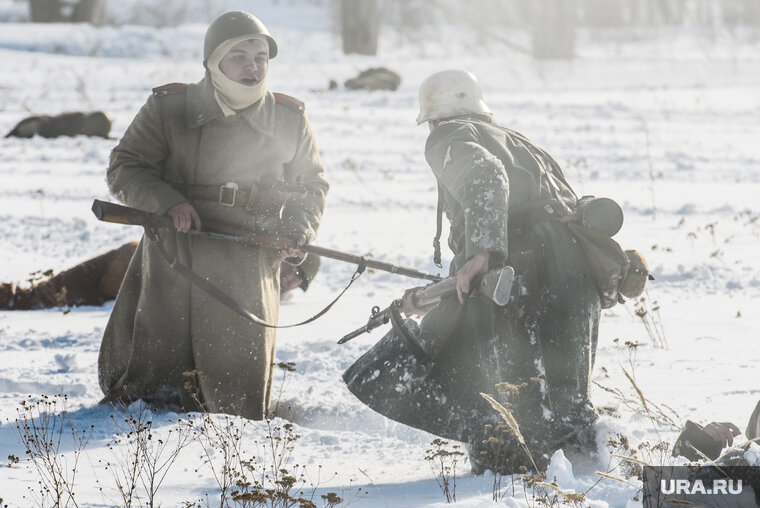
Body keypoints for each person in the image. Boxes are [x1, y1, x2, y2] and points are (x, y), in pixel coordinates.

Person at [343, 69, 601, 474]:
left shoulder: (448, 135)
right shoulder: (522, 142)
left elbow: (486, 176)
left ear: (431, 119)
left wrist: (482, 251)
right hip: (574, 268)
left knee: (505, 396)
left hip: (520, 269)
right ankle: (589, 464)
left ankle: (512, 472)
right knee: (565, 393)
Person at [97, 10, 328, 420]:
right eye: (238, 56)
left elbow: (312, 186)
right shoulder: (169, 108)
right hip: (175, 251)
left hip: (249, 256)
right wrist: (167, 202)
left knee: (236, 392)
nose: (252, 66)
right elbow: (125, 166)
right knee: (154, 383)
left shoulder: (290, 118)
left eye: (260, 56)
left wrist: (298, 229)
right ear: (213, 62)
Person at [0, 242, 321, 309]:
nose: (291, 281)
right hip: (135, 261)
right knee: (33, 299)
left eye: (298, 283)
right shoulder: (250, 268)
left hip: (139, 275)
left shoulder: (265, 293)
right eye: (293, 271)